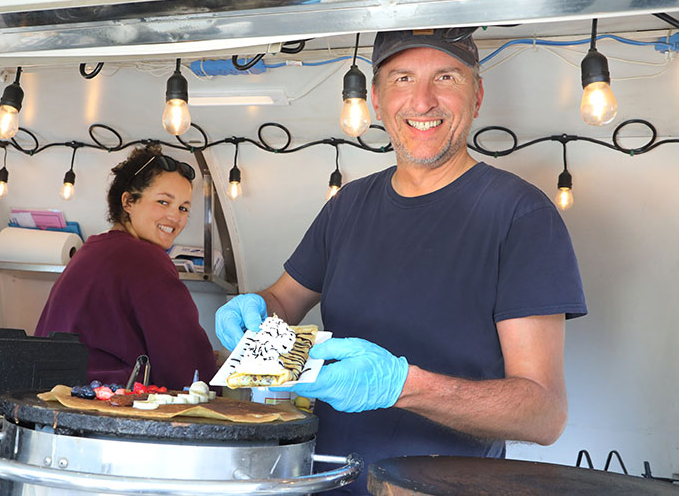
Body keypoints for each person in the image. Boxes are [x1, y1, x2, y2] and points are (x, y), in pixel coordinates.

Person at [215, 28, 586, 493]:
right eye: (402, 78)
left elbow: (544, 413)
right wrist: (253, 310)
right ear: (375, 98)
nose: (423, 101)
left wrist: (400, 386)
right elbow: (282, 301)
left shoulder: (521, 215)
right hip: (323, 480)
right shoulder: (348, 205)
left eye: (446, 77)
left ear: (477, 95)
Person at [35, 145, 217, 391]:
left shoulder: (90, 250)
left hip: (54, 402)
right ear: (129, 201)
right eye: (163, 202)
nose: (175, 217)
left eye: (183, 208)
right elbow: (188, 369)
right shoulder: (145, 259)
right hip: (109, 411)